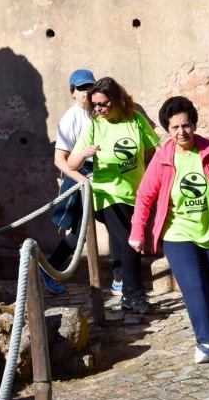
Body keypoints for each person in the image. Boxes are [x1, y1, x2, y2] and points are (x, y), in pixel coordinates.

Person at [129, 96, 209, 364]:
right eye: (174, 127)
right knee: (193, 287)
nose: (181, 132)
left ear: (194, 124)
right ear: (167, 130)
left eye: (186, 125)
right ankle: (206, 341)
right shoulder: (163, 159)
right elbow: (144, 196)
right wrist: (138, 231)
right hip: (177, 233)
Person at [68, 77, 159, 314]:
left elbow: (152, 152)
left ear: (116, 100)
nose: (98, 109)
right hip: (107, 195)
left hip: (135, 195)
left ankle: (128, 295)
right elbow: (70, 163)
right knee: (132, 241)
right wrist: (84, 154)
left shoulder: (136, 120)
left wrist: (153, 182)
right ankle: (134, 295)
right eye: (95, 105)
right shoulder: (95, 126)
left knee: (125, 243)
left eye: (103, 104)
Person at [45, 69, 122, 295]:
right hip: (83, 177)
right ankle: (49, 270)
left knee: (114, 225)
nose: (86, 92)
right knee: (80, 234)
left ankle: (120, 279)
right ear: (72, 91)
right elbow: (60, 161)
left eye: (89, 87)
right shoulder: (72, 117)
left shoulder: (96, 113)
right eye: (81, 88)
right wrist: (83, 181)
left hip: (103, 175)